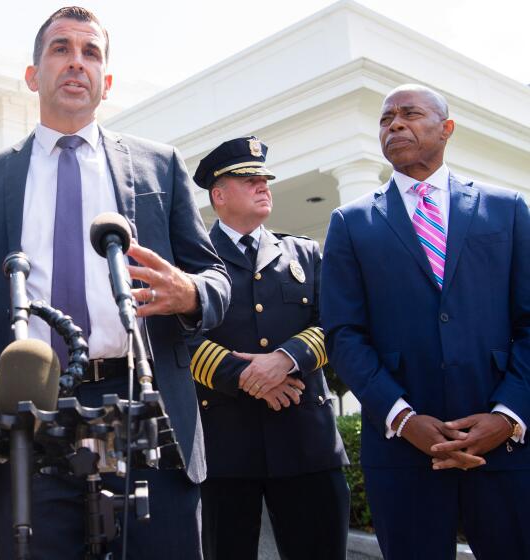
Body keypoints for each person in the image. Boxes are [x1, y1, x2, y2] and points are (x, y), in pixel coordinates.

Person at [0, 6, 230, 559]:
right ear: (33, 75)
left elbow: (217, 280)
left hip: (144, 412)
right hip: (29, 414)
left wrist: (191, 292)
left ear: (106, 82)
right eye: (61, 49)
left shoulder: (160, 167)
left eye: (91, 52)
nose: (76, 63)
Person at [321, 84, 530, 559]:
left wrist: (508, 415)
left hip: (505, 449)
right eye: (385, 119)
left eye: (409, 114)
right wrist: (403, 417)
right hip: (403, 454)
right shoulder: (351, 223)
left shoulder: (508, 210)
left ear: (447, 128)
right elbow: (344, 334)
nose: (394, 124)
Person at [189, 136, 349, 560]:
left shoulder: (304, 252)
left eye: (265, 179)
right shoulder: (192, 262)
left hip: (305, 441)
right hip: (226, 447)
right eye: (249, 179)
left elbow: (333, 323)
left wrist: (285, 359)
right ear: (218, 195)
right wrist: (242, 375)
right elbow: (178, 337)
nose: (263, 186)